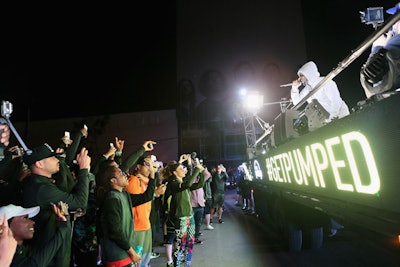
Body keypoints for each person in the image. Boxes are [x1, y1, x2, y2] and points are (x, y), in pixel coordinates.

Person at [21, 144, 91, 267]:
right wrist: (84, 169)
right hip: (50, 258)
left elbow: (66, 189)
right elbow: (80, 202)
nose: (57, 160)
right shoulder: (41, 189)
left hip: (51, 253)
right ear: (39, 164)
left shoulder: (40, 184)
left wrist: (63, 163)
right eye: (52, 158)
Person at [160, 155, 205, 267]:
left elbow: (199, 184)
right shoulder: (173, 183)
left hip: (190, 217)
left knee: (190, 244)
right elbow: (188, 183)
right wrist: (197, 169)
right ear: (174, 172)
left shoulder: (183, 182)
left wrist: (202, 172)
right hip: (180, 219)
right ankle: (177, 265)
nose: (184, 170)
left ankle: (187, 264)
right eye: (181, 169)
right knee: (180, 245)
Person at [95, 164, 143, 267]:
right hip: (116, 255)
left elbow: (145, 197)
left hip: (124, 253)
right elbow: (115, 231)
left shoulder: (123, 194)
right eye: (121, 173)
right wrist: (131, 252)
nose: (125, 175)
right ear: (113, 180)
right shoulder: (112, 199)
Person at [125, 156, 166, 267]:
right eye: (147, 165)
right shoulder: (133, 180)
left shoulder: (144, 181)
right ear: (138, 167)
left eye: (152, 166)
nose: (150, 169)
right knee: (136, 260)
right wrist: (154, 192)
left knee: (145, 258)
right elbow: (140, 199)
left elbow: (152, 190)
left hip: (145, 224)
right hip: (137, 226)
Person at [0, 202, 70, 266]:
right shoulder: (3, 254)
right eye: (25, 218)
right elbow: (34, 264)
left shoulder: (28, 249)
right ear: (6, 225)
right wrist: (62, 228)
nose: (33, 222)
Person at [361, 3, 400, 98]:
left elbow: (382, 57)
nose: (393, 23)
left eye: (396, 18)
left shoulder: (395, 42)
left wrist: (378, 41)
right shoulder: (394, 39)